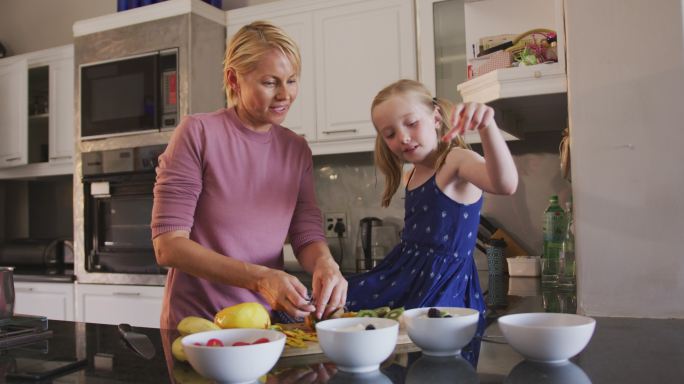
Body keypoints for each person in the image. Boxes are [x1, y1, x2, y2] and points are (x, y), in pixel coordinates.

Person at [151, 20, 347, 331]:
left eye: (292, 80)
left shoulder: (296, 149)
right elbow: (168, 246)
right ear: (234, 79)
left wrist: (325, 262)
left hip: (264, 326)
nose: (285, 94)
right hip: (198, 325)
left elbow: (305, 232)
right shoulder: (198, 133)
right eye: (270, 83)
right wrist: (261, 278)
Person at [345, 79, 517, 361]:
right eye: (389, 134)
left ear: (436, 118)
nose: (402, 138)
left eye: (411, 123)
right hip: (404, 274)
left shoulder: (456, 161)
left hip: (444, 283)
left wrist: (487, 127)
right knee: (339, 307)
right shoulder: (410, 174)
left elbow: (506, 184)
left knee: (438, 361)